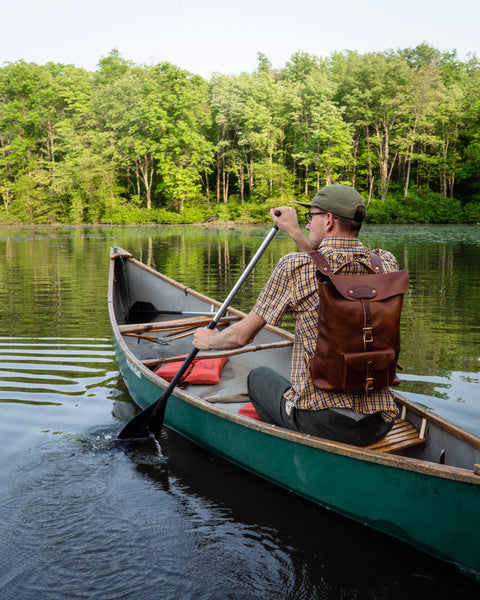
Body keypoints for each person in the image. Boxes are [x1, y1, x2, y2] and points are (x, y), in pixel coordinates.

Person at [193, 184, 399, 446]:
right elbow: (325, 267)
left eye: (309, 217)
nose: (308, 224)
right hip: (381, 422)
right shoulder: (385, 263)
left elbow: (241, 337)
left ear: (328, 219)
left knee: (258, 378)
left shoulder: (295, 266)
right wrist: (295, 232)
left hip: (323, 423)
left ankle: (283, 445)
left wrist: (208, 341)